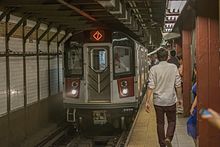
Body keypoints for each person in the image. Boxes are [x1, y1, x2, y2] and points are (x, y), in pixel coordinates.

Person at [145, 48, 183, 147]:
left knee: (160, 123)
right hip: (170, 100)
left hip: (158, 102)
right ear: (167, 57)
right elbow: (178, 85)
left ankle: (162, 144)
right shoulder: (173, 67)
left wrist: (147, 101)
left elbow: (150, 86)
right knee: (172, 121)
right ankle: (168, 138)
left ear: (157, 57)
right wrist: (179, 99)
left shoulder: (153, 69)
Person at [187, 64, 197, 145]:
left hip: (199, 109)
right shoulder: (198, 80)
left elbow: (198, 96)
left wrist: (192, 107)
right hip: (199, 109)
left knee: (191, 124)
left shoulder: (200, 81)